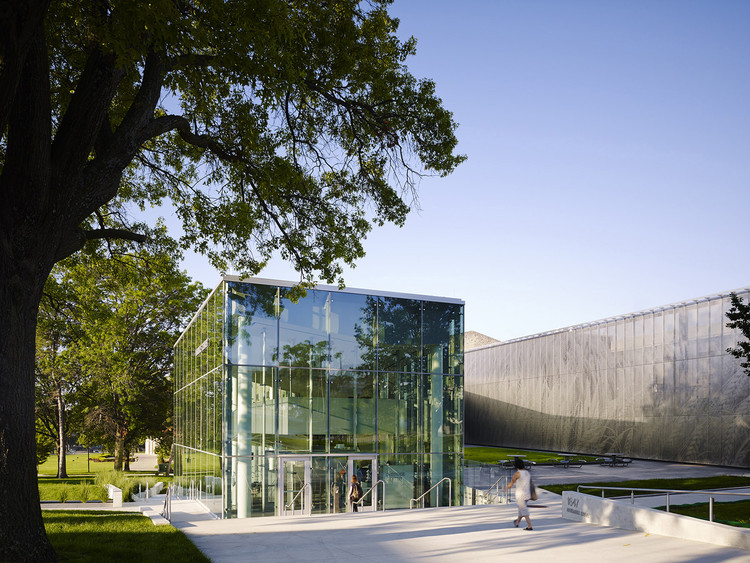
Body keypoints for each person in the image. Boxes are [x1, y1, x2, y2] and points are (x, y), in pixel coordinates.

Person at [504, 457, 533, 530]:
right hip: (527, 494)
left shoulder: (517, 474)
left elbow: (511, 484)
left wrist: (505, 488)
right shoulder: (527, 473)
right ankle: (517, 523)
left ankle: (529, 526)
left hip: (520, 495)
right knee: (521, 510)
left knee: (524, 510)